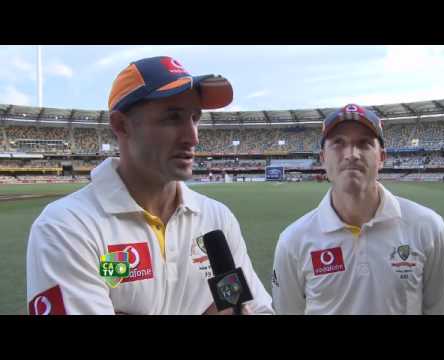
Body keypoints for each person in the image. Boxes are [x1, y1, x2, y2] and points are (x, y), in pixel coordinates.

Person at [26, 56, 273, 315]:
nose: (193, 137)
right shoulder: (66, 227)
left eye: (195, 118)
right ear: (121, 125)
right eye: (173, 118)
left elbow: (260, 309)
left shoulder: (217, 218)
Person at [272, 104, 444, 315]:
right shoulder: (293, 241)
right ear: (323, 158)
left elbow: (440, 309)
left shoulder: (428, 227)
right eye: (338, 143)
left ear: (382, 157)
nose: (352, 154)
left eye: (365, 143)